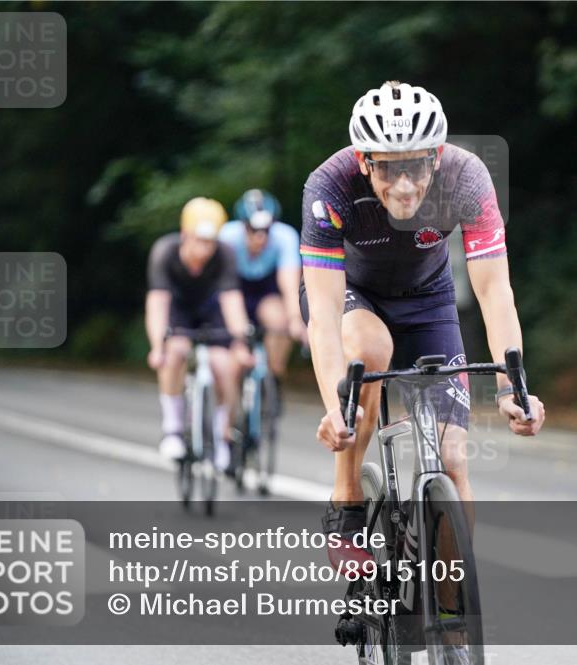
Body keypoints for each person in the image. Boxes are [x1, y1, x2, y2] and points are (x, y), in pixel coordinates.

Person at [300, 81, 546, 565]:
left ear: (436, 155)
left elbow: (495, 292)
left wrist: (511, 389)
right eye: (388, 168)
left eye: (416, 165)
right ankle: (346, 498)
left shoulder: (467, 177)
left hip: (427, 299)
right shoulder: (329, 186)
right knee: (369, 350)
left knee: (453, 461)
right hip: (353, 293)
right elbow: (325, 315)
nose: (405, 185)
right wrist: (337, 408)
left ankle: (451, 619)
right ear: (364, 160)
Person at [146, 197, 253, 470]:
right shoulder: (164, 252)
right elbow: (158, 303)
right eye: (199, 241)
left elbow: (232, 302)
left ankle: (221, 435)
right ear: (184, 235)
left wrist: (241, 343)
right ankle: (172, 429)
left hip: (211, 311)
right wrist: (157, 346)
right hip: (179, 309)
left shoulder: (224, 253)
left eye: (210, 242)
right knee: (175, 351)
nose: (205, 249)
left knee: (225, 365)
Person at [218, 189, 307, 393]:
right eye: (253, 229)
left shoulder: (285, 236)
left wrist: (295, 319)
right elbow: (224, 289)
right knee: (231, 354)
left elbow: (289, 281)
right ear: (242, 225)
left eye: (266, 230)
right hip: (233, 291)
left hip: (266, 292)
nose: (260, 237)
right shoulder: (227, 237)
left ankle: (272, 377)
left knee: (280, 320)